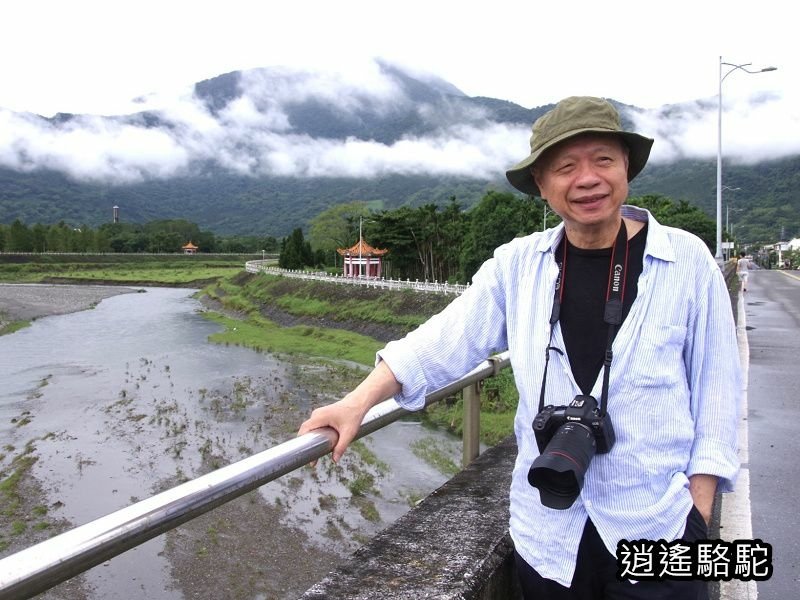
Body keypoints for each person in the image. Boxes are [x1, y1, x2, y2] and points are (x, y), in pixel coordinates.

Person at [298, 96, 740, 599]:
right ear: (540, 186)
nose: (588, 179)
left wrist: (697, 518)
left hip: (659, 528)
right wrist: (357, 402)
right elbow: (441, 341)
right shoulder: (518, 266)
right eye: (565, 167)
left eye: (603, 160)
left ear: (626, 169)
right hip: (549, 536)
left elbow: (717, 393)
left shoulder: (688, 261)